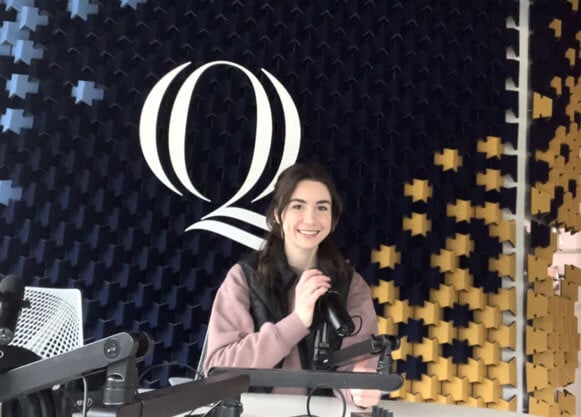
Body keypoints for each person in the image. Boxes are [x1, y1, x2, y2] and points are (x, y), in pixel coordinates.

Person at [203, 162, 381, 408]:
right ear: (278, 214)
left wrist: (360, 389)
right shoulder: (243, 278)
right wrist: (296, 322)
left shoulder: (351, 284)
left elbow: (358, 365)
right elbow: (219, 369)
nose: (310, 219)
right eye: (298, 206)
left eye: (322, 208)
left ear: (332, 218)